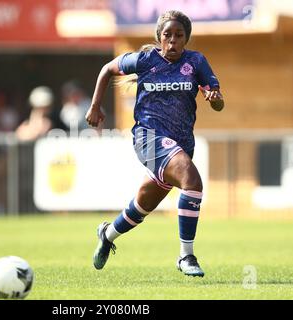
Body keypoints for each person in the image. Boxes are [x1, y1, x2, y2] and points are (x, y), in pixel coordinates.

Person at [86, 10, 224, 277]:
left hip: (181, 142)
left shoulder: (196, 62)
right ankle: (186, 256)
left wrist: (214, 98)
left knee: (143, 205)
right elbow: (107, 69)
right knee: (192, 180)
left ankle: (107, 234)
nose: (172, 41)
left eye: (179, 36)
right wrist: (95, 107)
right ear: (159, 38)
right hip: (148, 137)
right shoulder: (145, 60)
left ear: (186, 38)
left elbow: (217, 101)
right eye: (167, 35)